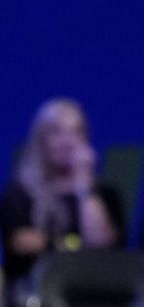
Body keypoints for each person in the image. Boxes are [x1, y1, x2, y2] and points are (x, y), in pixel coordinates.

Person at [2, 99, 125, 286]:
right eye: (56, 132)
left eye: (76, 132)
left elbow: (102, 245)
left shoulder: (104, 194)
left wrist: (84, 189)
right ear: (40, 140)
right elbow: (21, 242)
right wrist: (75, 244)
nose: (67, 142)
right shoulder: (20, 191)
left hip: (91, 291)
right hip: (32, 289)